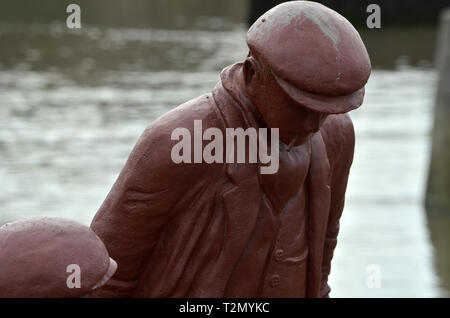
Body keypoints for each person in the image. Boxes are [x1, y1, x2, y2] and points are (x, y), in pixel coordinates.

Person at [90, 1, 371, 297]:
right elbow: (106, 273)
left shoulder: (335, 135)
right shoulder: (178, 141)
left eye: (326, 110)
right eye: (300, 107)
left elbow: (325, 243)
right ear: (252, 74)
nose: (314, 125)